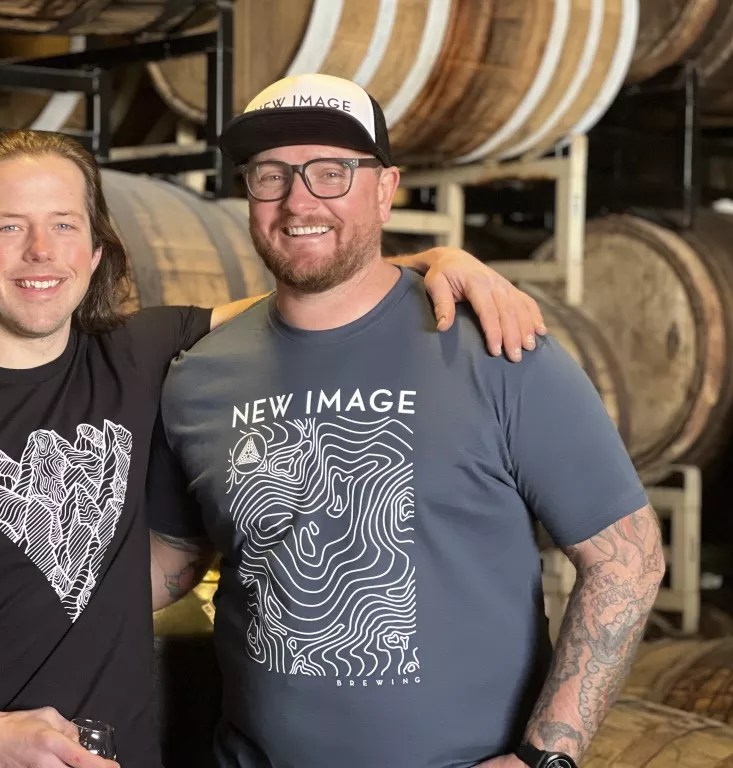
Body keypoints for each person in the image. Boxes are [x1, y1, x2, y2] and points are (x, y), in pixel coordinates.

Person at [0, 128, 545, 768]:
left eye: (65, 225)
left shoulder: (142, 354)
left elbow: (317, 292)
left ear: (95, 251)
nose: (41, 252)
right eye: (9, 227)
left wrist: (438, 261)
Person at [148, 73, 666, 768]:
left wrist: (547, 755)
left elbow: (627, 559)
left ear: (386, 189)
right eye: (270, 174)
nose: (298, 200)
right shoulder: (199, 376)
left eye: (331, 172)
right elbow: (176, 560)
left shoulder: (497, 347)